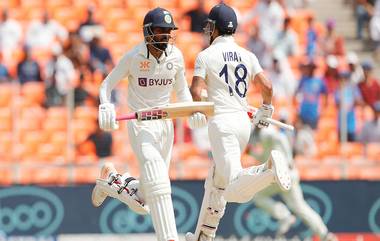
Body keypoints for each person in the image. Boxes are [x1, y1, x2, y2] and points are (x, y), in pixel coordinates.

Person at [91, 7, 207, 241]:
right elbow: (106, 85)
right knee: (160, 184)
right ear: (147, 32)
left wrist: (192, 111)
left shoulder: (176, 56)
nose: (165, 35)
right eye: (160, 30)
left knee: (143, 200)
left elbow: (183, 92)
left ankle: (111, 180)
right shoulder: (134, 56)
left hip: (165, 127)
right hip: (141, 124)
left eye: (168, 31)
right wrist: (105, 105)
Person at [186, 4, 292, 241]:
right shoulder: (248, 55)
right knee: (217, 182)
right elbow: (268, 86)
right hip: (243, 124)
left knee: (234, 191)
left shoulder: (206, 55)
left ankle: (267, 171)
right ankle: (203, 235)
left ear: (214, 28)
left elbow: (196, 90)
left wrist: (199, 106)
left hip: (221, 123)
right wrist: (266, 110)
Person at [248, 127, 337, 241]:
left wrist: (289, 159)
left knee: (258, 196)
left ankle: (284, 215)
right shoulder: (265, 140)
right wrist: (252, 153)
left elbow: (280, 137)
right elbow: (265, 156)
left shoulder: (266, 132)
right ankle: (324, 234)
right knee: (300, 206)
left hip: (280, 175)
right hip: (288, 174)